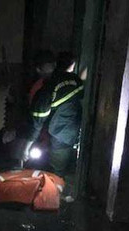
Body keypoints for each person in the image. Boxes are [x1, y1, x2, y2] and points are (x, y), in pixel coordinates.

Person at [17, 50, 84, 180]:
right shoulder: (74, 79)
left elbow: (36, 124)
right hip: (74, 130)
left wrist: (25, 149)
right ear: (54, 64)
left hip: (61, 134)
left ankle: (55, 192)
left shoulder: (45, 91)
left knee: (57, 172)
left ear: (38, 69)